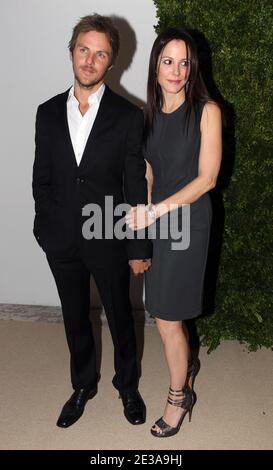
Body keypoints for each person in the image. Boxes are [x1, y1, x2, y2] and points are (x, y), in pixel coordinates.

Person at [32, 14, 152, 428]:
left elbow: (135, 188)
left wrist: (139, 247)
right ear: (72, 52)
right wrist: (46, 229)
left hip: (109, 236)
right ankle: (82, 385)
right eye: (84, 49)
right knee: (75, 316)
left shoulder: (128, 116)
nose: (90, 60)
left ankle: (128, 385)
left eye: (100, 54)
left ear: (110, 62)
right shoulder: (47, 113)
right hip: (61, 239)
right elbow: (41, 179)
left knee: (121, 315)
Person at [126, 27, 222, 437]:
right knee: (162, 310)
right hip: (158, 219)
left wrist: (156, 213)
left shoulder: (207, 111)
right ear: (155, 64)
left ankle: (179, 397)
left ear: (193, 68)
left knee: (166, 317)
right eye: (168, 61)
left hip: (188, 221)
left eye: (185, 62)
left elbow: (207, 180)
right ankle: (188, 362)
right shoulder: (145, 116)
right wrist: (141, 230)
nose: (177, 70)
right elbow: (148, 173)